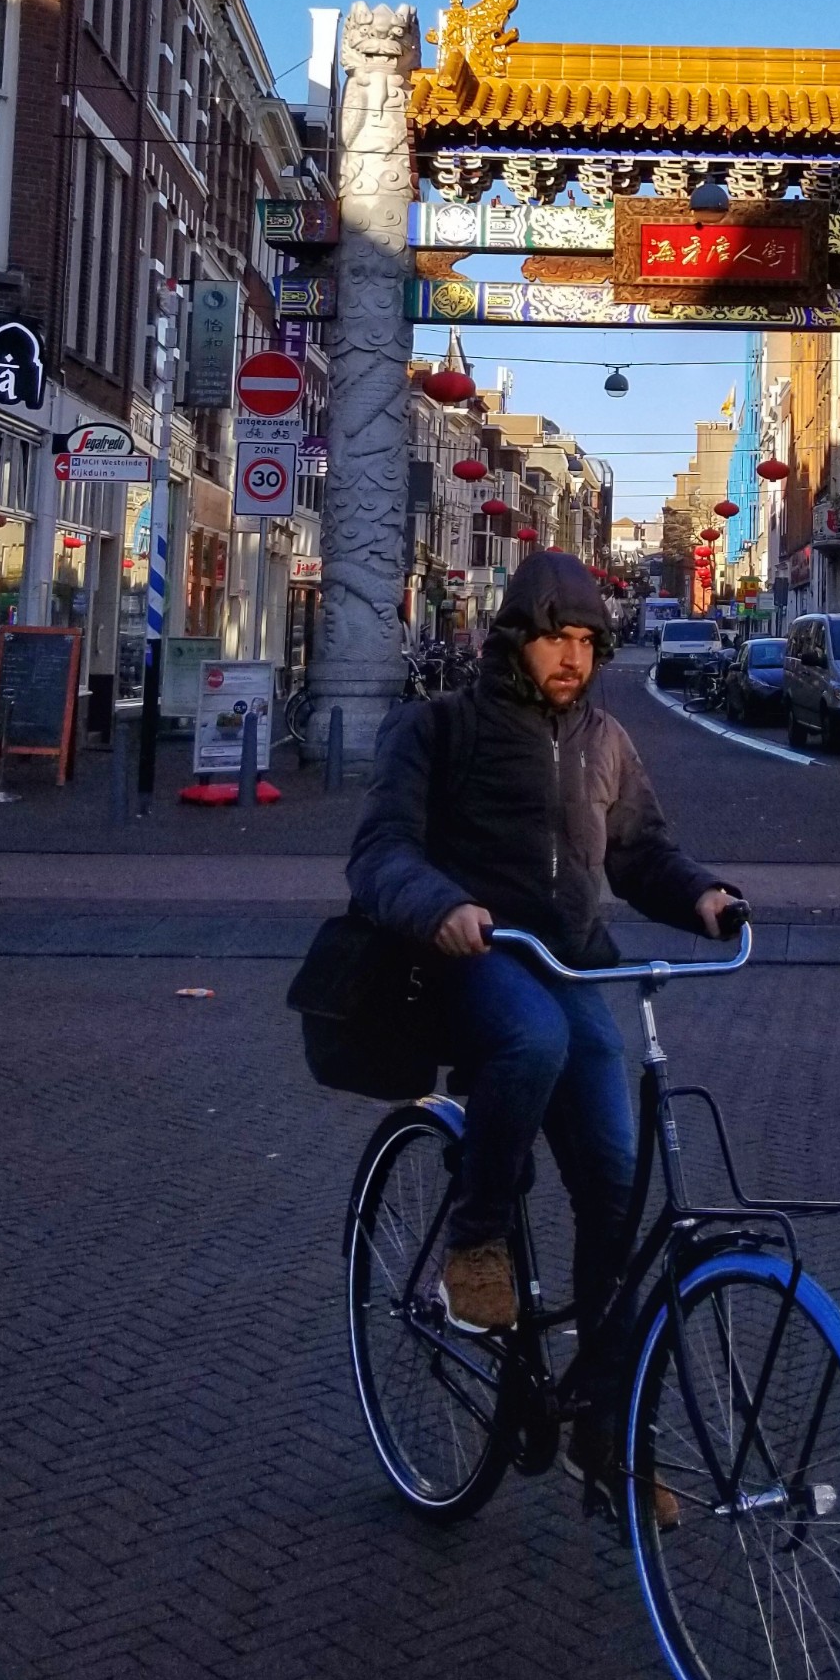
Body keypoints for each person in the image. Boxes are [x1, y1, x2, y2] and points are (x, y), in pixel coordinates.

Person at [345, 550, 740, 1372]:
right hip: (475, 959)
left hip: (573, 963)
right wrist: (442, 907)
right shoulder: (437, 727)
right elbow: (381, 851)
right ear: (513, 640)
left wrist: (702, 896)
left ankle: (605, 1419)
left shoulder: (605, 738)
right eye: (556, 639)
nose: (573, 659)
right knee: (532, 1040)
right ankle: (476, 1237)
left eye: (588, 642)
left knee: (615, 1188)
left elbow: (640, 852)